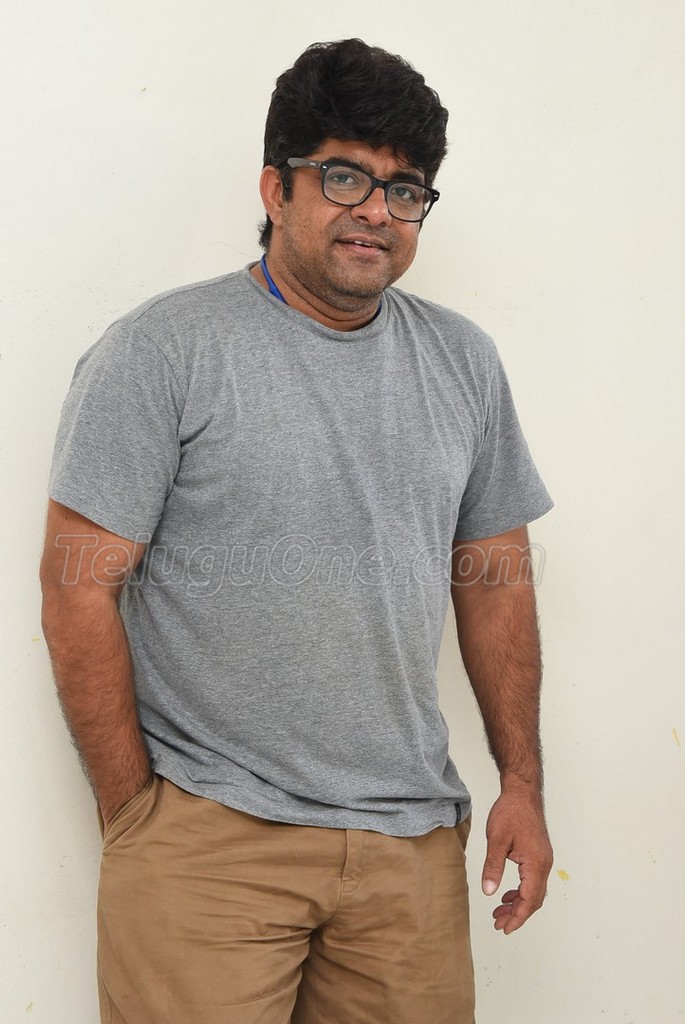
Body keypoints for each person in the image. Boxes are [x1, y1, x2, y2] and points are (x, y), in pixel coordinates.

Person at [40, 37, 554, 1024]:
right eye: (344, 176)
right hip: (210, 844)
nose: (376, 210)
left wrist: (521, 784)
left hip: (408, 849)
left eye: (404, 189)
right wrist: (136, 815)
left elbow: (496, 581)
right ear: (276, 189)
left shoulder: (463, 363)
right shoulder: (163, 350)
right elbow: (75, 584)